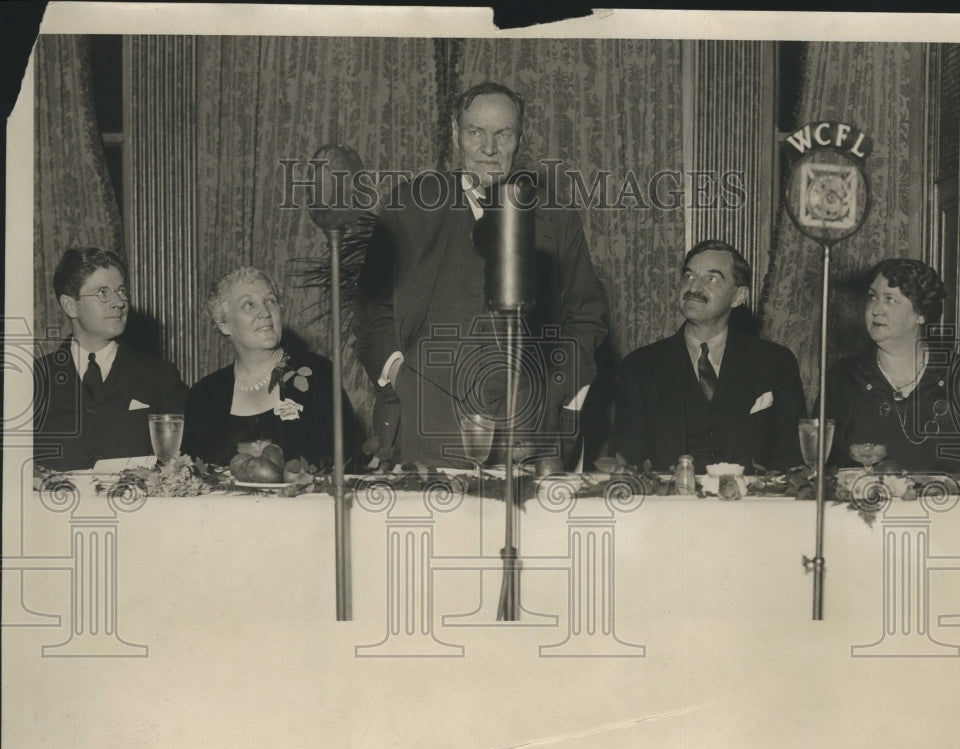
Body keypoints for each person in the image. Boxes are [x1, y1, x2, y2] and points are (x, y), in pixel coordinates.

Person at [354, 81, 607, 467]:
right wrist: (399, 377)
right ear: (457, 135)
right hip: (427, 429)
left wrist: (564, 395)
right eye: (476, 132)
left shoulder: (556, 216)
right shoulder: (410, 206)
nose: (489, 148)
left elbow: (586, 316)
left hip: (530, 432)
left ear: (519, 138)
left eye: (502, 134)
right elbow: (372, 312)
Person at [609, 239, 806, 474]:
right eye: (689, 276)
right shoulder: (640, 367)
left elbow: (791, 455)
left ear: (739, 296)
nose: (694, 288)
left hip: (750, 506)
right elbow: (628, 457)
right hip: (669, 505)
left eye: (711, 279)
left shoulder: (776, 363)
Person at [183, 266, 358, 469]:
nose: (265, 312)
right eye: (249, 305)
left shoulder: (315, 373)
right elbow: (191, 473)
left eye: (270, 301)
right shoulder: (205, 394)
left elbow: (346, 461)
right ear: (224, 325)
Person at [33, 247, 189, 470]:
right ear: (70, 305)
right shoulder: (31, 380)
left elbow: (183, 460)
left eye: (121, 290)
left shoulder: (160, 375)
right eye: (103, 292)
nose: (119, 302)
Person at [822, 258, 960, 474]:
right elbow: (823, 466)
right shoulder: (843, 377)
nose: (876, 309)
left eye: (890, 300)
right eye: (872, 297)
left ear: (921, 313)